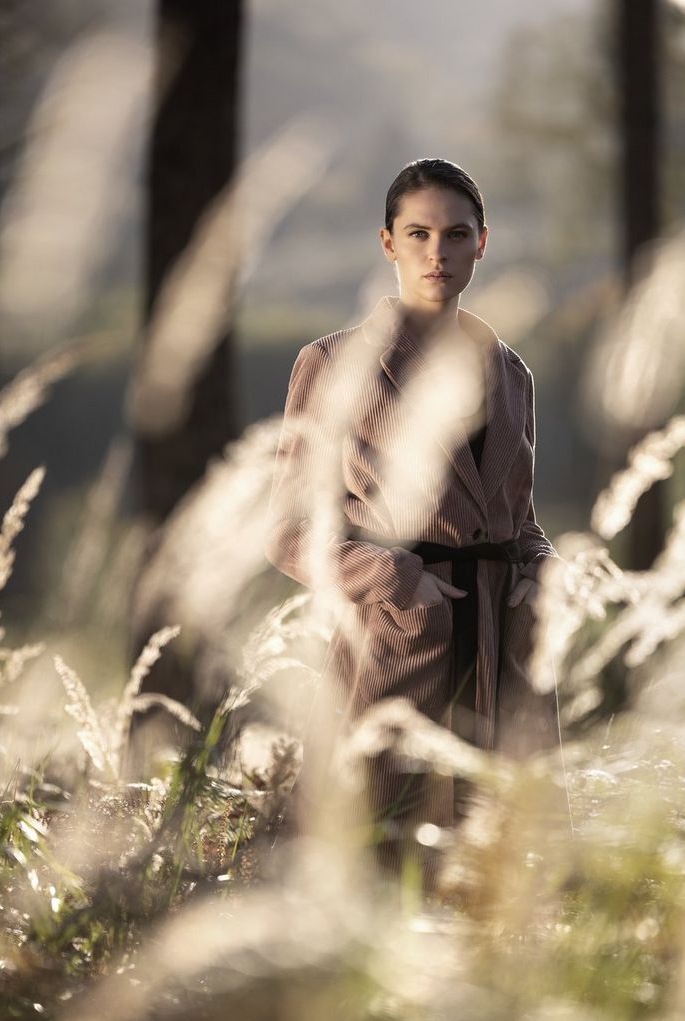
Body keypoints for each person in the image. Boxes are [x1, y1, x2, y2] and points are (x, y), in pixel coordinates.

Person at [264, 157, 569, 891]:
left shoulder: (512, 371)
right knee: (379, 849)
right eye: (420, 233)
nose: (439, 252)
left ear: (482, 243)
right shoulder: (334, 364)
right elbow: (288, 532)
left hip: (502, 646)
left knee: (499, 866)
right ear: (388, 243)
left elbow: (519, 518)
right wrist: (398, 581)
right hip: (397, 638)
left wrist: (542, 573)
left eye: (456, 234)